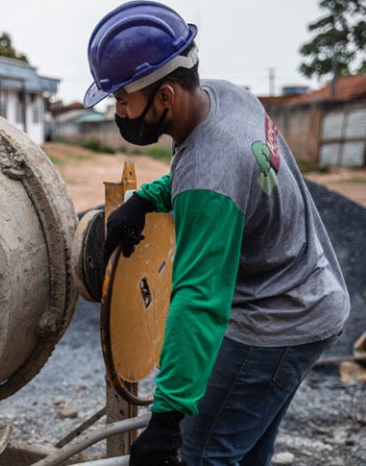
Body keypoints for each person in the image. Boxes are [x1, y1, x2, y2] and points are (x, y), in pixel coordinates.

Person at [82, 2, 351, 465]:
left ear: (164, 96)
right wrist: (148, 198)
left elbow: (199, 301)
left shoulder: (211, 178)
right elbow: (210, 177)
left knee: (202, 452)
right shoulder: (224, 98)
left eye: (123, 99)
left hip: (277, 317)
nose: (118, 112)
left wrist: (168, 419)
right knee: (245, 449)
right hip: (308, 294)